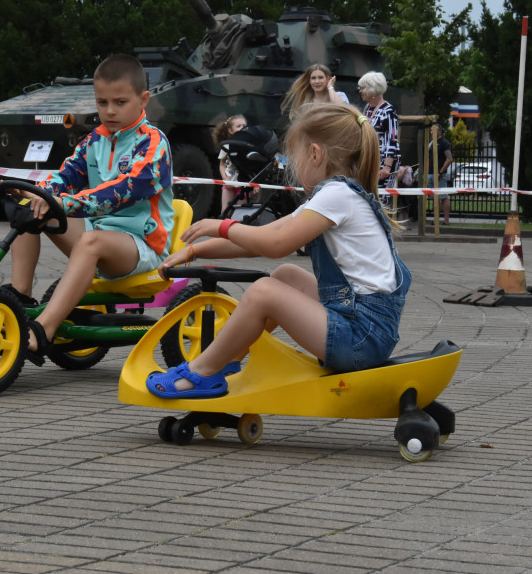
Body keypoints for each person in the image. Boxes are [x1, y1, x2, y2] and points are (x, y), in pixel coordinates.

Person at [145, 102, 411, 398]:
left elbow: (276, 245)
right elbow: (261, 236)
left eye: (295, 158)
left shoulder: (336, 196)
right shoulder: (339, 195)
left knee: (264, 292)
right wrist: (195, 251)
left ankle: (202, 372)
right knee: (286, 276)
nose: (293, 168)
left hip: (361, 339)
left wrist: (220, 226)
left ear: (315, 153)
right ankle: (226, 361)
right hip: (366, 331)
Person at [8, 54, 174, 355]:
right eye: (102, 103)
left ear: (143, 99)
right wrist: (37, 194)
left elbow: (123, 191)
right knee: (33, 210)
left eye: (120, 102)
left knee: (90, 241)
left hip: (142, 245)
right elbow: (66, 175)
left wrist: (66, 203)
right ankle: (20, 301)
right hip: (98, 237)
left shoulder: (153, 143)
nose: (109, 111)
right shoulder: (94, 141)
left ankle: (43, 329)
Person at [358, 71, 399, 189]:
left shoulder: (388, 110)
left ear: (373, 89)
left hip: (384, 161)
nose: (360, 91)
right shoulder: (368, 108)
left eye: (363, 88)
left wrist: (387, 166)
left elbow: (392, 139)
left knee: (381, 197)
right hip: (371, 157)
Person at [280, 63, 349, 117]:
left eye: (321, 77)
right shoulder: (305, 101)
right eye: (313, 78)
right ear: (309, 81)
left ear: (328, 79)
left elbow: (345, 110)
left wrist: (330, 87)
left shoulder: (339, 96)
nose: (317, 81)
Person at [213, 114, 248, 213]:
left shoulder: (249, 146)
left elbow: (254, 166)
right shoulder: (227, 146)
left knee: (239, 213)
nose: (242, 128)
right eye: (238, 126)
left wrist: (255, 184)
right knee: (225, 211)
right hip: (229, 183)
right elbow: (222, 164)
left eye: (244, 126)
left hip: (244, 185)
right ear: (231, 131)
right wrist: (225, 179)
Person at [427, 124, 453, 225]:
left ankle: (446, 220)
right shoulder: (431, 143)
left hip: (440, 174)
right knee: (434, 198)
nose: (431, 132)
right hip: (430, 173)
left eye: (434, 130)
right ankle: (436, 219)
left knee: (443, 197)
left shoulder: (444, 143)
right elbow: (429, 158)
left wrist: (441, 171)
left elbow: (449, 158)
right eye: (431, 130)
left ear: (439, 131)